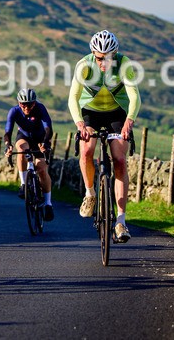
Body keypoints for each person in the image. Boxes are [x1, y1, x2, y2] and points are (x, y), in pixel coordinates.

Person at [68, 30, 141, 243]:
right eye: (100, 58)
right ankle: (90, 193)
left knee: (119, 159)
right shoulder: (83, 65)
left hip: (117, 111)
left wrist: (129, 121)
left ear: (115, 54)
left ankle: (120, 220)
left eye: (109, 57)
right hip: (90, 112)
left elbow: (134, 96)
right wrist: (80, 123)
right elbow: (73, 97)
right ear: (93, 53)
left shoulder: (124, 64)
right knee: (87, 150)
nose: (104, 62)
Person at [3, 88, 55, 221]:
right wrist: (8, 145)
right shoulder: (14, 111)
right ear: (19, 103)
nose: (26, 107)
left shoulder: (40, 108)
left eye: (30, 104)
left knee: (42, 169)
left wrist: (45, 144)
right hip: (24, 137)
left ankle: (48, 203)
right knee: (21, 150)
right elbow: (8, 132)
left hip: (39, 139)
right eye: (23, 104)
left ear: (34, 103)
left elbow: (48, 128)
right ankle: (23, 184)